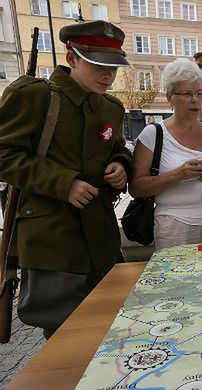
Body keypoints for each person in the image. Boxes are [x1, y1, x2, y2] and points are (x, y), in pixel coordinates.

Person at [0, 21, 132, 339]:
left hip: (100, 238)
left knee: (110, 324)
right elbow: (4, 154)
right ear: (71, 58)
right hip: (53, 239)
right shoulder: (34, 96)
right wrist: (63, 183)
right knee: (65, 333)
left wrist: (120, 164)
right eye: (98, 65)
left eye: (113, 67)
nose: (107, 75)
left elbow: (117, 148)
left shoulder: (111, 108)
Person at [130, 58, 202, 249]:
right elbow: (136, 188)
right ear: (170, 97)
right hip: (174, 227)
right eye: (187, 94)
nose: (195, 100)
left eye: (200, 93)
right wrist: (177, 175)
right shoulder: (153, 134)